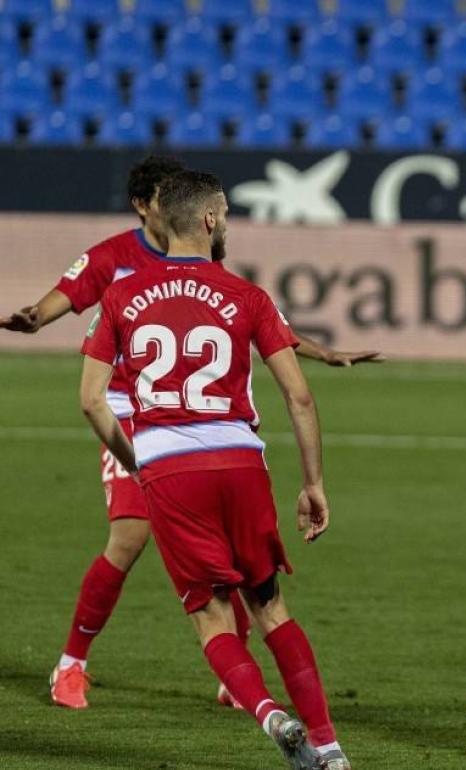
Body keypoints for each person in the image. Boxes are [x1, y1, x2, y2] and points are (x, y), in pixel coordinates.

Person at [0, 155, 381, 711]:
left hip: (200, 425)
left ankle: (235, 671)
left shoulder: (202, 261)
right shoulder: (114, 258)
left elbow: (259, 325)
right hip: (131, 413)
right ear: (144, 205)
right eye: (160, 194)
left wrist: (321, 353)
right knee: (130, 536)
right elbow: (59, 299)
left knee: (226, 538)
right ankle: (71, 664)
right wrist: (34, 317)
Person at [77, 170, 350, 769]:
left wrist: (137, 463)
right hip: (240, 460)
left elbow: (93, 400)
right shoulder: (248, 295)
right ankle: (329, 746)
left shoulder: (120, 296)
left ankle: (270, 715)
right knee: (271, 607)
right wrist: (313, 484)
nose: (226, 221)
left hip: (171, 471)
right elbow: (299, 397)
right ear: (206, 220)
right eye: (224, 212)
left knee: (210, 616)